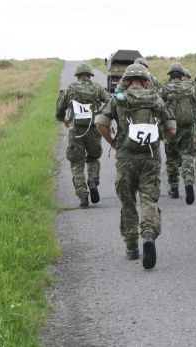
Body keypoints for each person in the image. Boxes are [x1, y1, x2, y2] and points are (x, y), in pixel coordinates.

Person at [95, 64, 176, 269]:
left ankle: (131, 246)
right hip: (151, 158)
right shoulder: (156, 99)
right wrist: (157, 138)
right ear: (146, 81)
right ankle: (148, 234)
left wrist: (113, 142)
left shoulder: (119, 98)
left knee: (128, 201)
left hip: (126, 158)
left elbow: (100, 123)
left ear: (127, 81)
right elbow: (172, 129)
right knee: (149, 199)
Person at [55, 63, 111, 208]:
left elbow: (59, 109)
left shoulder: (70, 89)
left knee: (76, 163)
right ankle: (92, 181)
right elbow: (110, 102)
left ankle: (82, 195)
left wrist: (63, 119)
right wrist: (104, 118)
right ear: (90, 75)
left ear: (77, 75)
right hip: (93, 129)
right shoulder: (97, 88)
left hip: (76, 130)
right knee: (93, 158)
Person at [162, 63, 196, 204]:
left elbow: (160, 108)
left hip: (171, 130)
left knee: (171, 159)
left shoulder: (165, 89)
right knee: (187, 156)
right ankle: (188, 181)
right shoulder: (190, 89)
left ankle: (174, 188)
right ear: (182, 75)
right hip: (188, 129)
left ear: (170, 75)